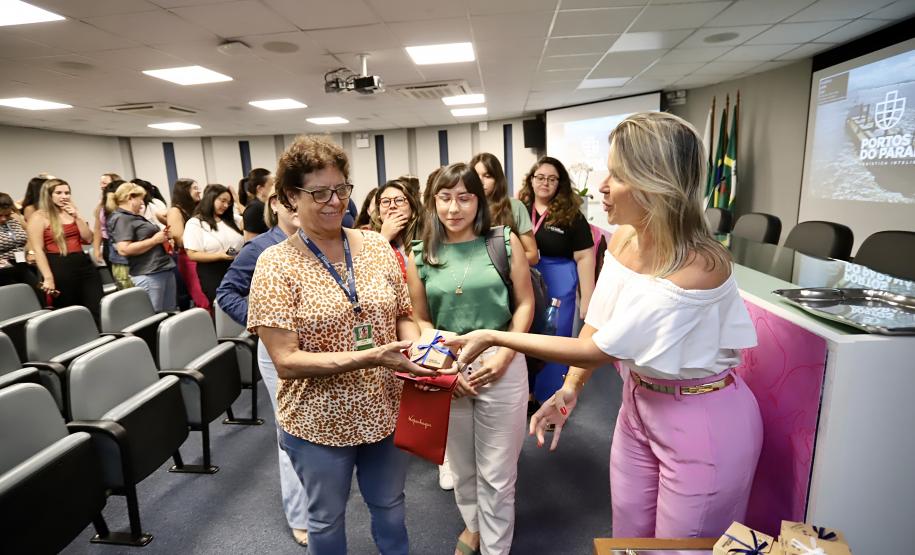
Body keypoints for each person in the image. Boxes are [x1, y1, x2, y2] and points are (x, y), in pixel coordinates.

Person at [447, 112, 763, 542]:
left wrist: (494, 336)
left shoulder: (702, 265)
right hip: (638, 403)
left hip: (700, 417)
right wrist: (570, 389)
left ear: (655, 183)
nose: (602, 185)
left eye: (618, 175)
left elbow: (601, 349)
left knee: (679, 549)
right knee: (627, 538)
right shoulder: (626, 238)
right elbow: (597, 323)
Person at [248, 135, 434, 555]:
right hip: (317, 420)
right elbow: (286, 360)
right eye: (320, 193)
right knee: (326, 519)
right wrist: (372, 356)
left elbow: (404, 315)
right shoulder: (275, 265)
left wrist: (419, 351)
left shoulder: (376, 246)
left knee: (390, 506)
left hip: (384, 408)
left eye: (342, 189)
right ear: (290, 197)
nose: (335, 201)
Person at [406, 162, 534, 555]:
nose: (453, 208)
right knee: (461, 468)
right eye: (444, 198)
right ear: (433, 202)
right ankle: (474, 527)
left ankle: (496, 548)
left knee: (497, 473)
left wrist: (507, 354)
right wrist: (443, 367)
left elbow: (524, 304)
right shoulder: (420, 253)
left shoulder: (503, 241)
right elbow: (421, 319)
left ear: (479, 201)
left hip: (501, 357)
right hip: (448, 361)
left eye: (464, 198)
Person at [215, 185, 308, 546]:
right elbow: (226, 294)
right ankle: (299, 516)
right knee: (290, 430)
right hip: (277, 351)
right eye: (288, 199)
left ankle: (319, 498)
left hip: (317, 350)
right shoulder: (259, 248)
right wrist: (263, 324)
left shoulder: (319, 240)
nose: (297, 205)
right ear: (275, 204)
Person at [518, 156, 595, 402]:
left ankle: (550, 397)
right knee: (524, 335)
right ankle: (526, 394)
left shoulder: (571, 214)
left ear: (559, 184)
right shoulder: (519, 209)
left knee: (555, 338)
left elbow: (585, 256)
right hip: (525, 279)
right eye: (540, 177)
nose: (545, 183)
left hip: (559, 282)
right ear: (531, 180)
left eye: (552, 179)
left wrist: (588, 299)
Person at [26, 178, 104, 323]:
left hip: (83, 263)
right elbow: (38, 250)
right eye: (59, 193)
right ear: (49, 195)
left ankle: (98, 334)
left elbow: (88, 239)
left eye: (67, 193)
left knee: (96, 306)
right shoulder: (39, 217)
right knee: (70, 310)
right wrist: (48, 278)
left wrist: (77, 217)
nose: (64, 196)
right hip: (59, 265)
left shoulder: (71, 212)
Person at [107, 183, 176, 311]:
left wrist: (163, 239)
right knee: (154, 314)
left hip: (161, 268)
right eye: (140, 199)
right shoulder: (121, 218)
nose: (142, 203)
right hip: (149, 273)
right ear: (130, 198)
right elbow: (124, 249)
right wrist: (154, 240)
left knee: (169, 313)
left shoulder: (132, 217)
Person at [470, 153, 539, 266]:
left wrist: (497, 263)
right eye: (476, 176)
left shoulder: (515, 206)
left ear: (497, 179)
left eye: (487, 176)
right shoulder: (464, 209)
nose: (480, 181)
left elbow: (533, 256)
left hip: (508, 273)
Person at [183, 184, 243, 309]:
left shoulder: (232, 219)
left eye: (229, 202)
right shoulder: (195, 223)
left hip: (237, 267)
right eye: (222, 201)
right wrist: (219, 255)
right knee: (224, 308)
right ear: (211, 198)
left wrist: (237, 199)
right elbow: (192, 254)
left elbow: (251, 218)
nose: (226, 205)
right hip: (213, 271)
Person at [166, 178, 209, 310]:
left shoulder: (197, 208)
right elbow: (180, 240)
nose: (199, 191)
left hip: (204, 255)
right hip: (189, 258)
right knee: (202, 299)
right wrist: (205, 237)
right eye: (195, 188)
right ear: (184, 191)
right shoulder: (175, 211)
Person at [371, 179, 421, 275]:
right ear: (378, 212)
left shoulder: (427, 236)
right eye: (386, 201)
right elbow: (368, 275)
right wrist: (384, 237)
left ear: (413, 209)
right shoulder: (367, 240)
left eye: (399, 200)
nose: (392, 206)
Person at [0, 192, 41, 296]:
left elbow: (29, 234)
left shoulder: (15, 218)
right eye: (0, 215)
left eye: (7, 215)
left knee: (37, 292)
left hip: (21, 264)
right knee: (16, 296)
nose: (4, 219)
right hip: (3, 270)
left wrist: (31, 252)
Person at [102, 179, 135, 290]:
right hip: (124, 264)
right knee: (133, 297)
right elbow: (122, 247)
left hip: (123, 263)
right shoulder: (119, 217)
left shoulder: (116, 214)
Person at [92, 172, 121, 265]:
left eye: (104, 183)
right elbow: (97, 228)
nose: (101, 186)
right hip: (108, 244)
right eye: (100, 183)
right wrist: (96, 249)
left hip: (121, 242)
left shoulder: (122, 202)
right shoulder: (101, 204)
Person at [242, 170, 273, 240]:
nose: (275, 187)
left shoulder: (267, 206)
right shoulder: (254, 208)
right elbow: (251, 241)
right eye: (271, 185)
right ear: (260, 189)